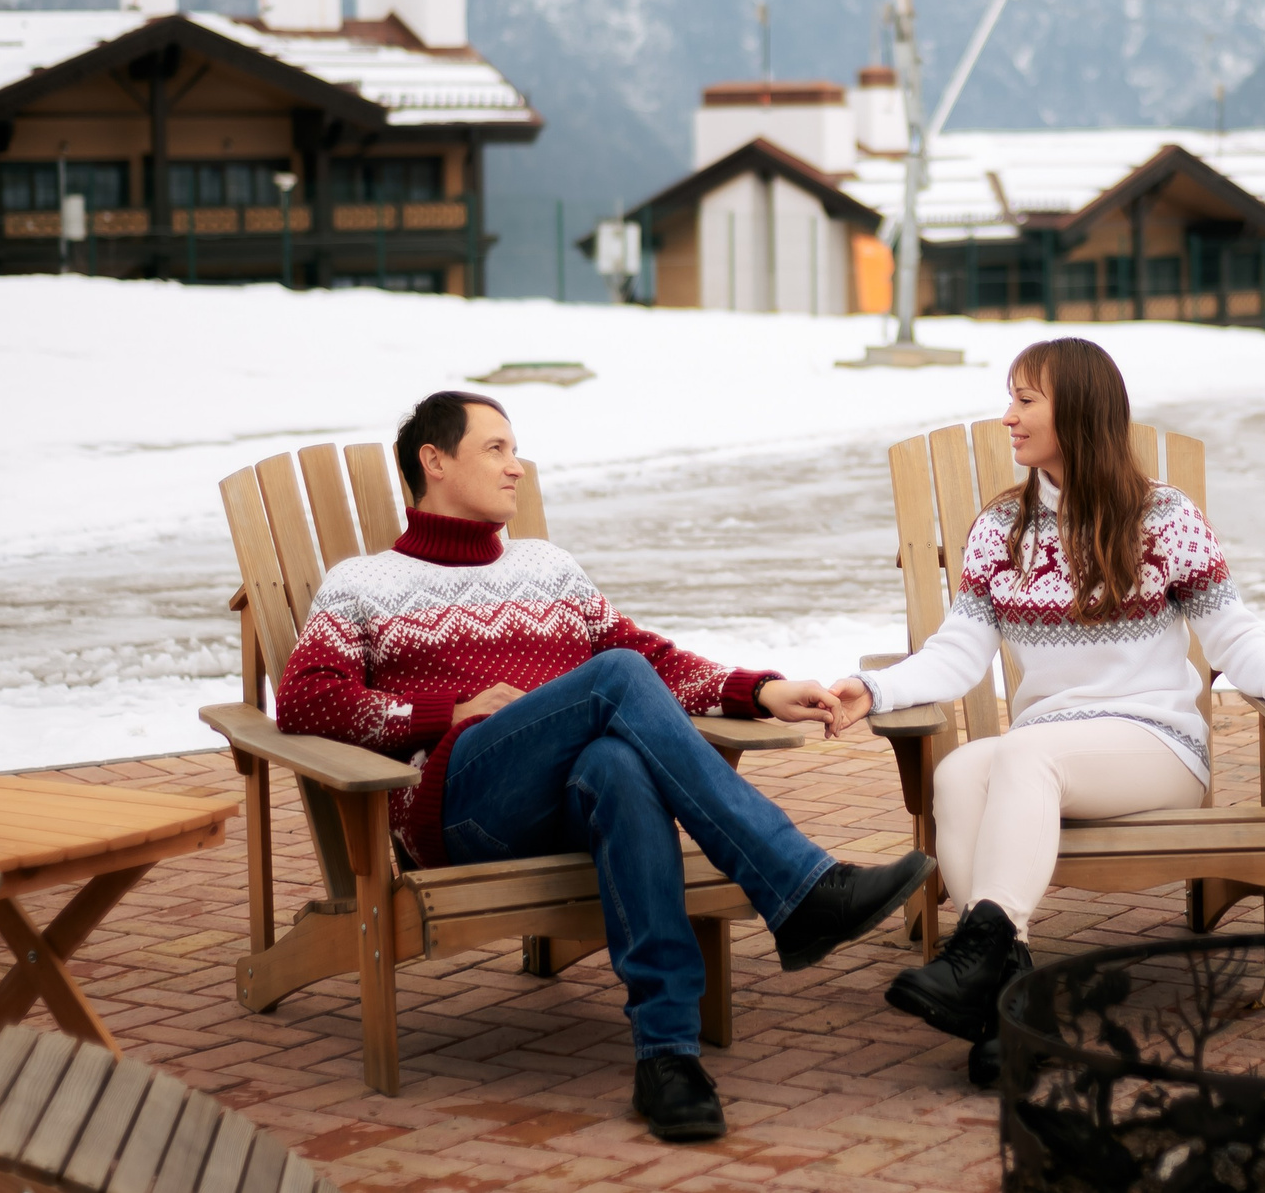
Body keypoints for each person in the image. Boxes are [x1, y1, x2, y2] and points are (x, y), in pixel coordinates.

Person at [277, 390, 930, 1142]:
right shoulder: (364, 583)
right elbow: (306, 700)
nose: (516, 467)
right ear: (435, 460)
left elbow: (649, 658)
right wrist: (445, 713)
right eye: (495, 448)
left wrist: (758, 690)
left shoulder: (549, 567)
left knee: (618, 762)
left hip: (565, 806)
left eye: (515, 449)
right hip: (458, 809)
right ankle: (799, 884)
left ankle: (667, 1056)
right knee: (613, 678)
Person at [827, 338, 1265, 1084]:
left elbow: (1231, 629)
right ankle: (1012, 1002)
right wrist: (874, 689)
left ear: (1079, 410)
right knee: (962, 773)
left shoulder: (1164, 516)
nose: (1008, 416)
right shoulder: (1002, 529)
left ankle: (977, 962)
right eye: (1010, 399)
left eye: (1025, 400)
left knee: (1024, 752)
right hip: (1049, 755)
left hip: (1156, 746)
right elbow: (958, 651)